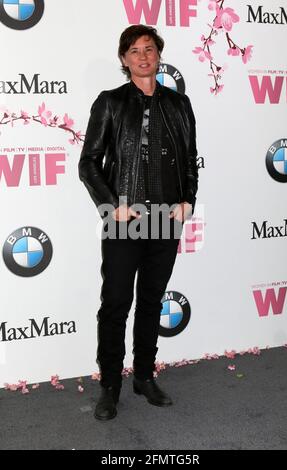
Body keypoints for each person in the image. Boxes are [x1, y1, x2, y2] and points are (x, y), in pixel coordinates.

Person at [79, 24, 198, 421]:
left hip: (166, 218)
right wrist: (112, 205)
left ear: (159, 54)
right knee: (115, 304)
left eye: (149, 49)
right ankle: (110, 385)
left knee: (151, 302)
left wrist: (188, 201)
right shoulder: (110, 102)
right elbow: (88, 163)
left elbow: (190, 160)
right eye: (134, 51)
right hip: (125, 220)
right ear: (124, 59)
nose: (143, 56)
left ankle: (144, 377)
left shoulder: (179, 105)